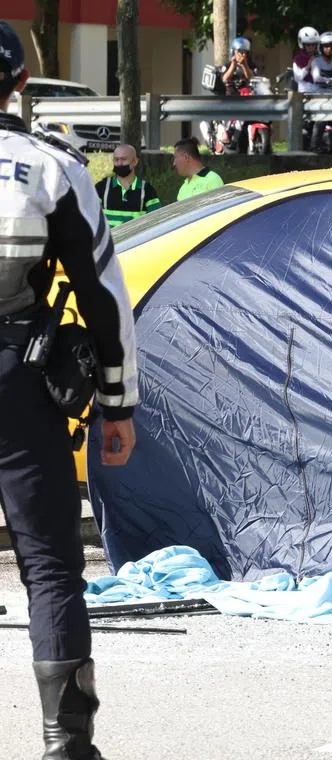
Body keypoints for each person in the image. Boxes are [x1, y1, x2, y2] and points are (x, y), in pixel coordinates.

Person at [0, 20, 138, 760]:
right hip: (19, 378)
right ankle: (66, 746)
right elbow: (103, 297)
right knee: (50, 568)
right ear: (21, 84)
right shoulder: (51, 168)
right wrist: (118, 403)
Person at [93, 144, 160, 228]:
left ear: (135, 161)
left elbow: (157, 219)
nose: (119, 163)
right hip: (109, 240)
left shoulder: (147, 190)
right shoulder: (101, 187)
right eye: (116, 159)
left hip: (137, 240)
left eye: (123, 159)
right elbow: (90, 216)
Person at [292, 26, 320, 94]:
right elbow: (297, 78)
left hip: (320, 91)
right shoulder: (298, 59)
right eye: (308, 45)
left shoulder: (320, 57)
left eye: (313, 45)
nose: (311, 47)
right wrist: (308, 67)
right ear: (303, 45)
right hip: (305, 92)